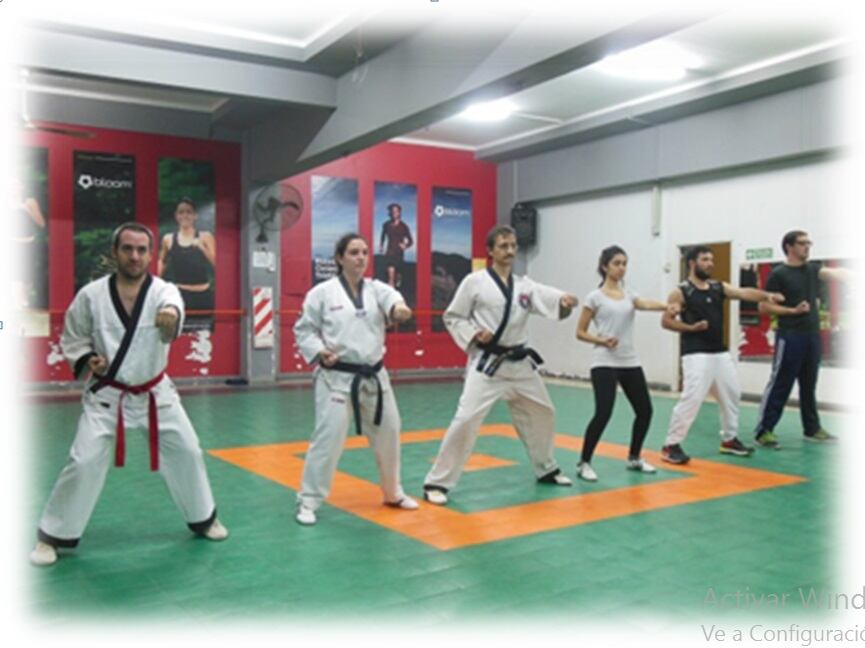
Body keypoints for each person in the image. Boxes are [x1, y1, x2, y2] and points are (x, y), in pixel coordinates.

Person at [30, 223, 227, 567]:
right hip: (107, 395)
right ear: (115, 252)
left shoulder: (164, 291)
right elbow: (73, 338)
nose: (135, 256)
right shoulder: (90, 295)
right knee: (83, 460)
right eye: (127, 249)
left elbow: (172, 307)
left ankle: (204, 518)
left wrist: (171, 316)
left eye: (141, 250)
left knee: (188, 450)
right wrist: (87, 359)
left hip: (155, 393)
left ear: (152, 255)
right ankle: (51, 536)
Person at [423, 224, 578, 506]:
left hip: (520, 365)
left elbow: (552, 300)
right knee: (466, 419)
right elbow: (453, 317)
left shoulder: (525, 286)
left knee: (543, 412)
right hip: (488, 365)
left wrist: (565, 302)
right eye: (503, 246)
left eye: (513, 246)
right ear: (490, 251)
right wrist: (473, 334)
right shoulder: (475, 282)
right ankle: (437, 482)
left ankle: (546, 468)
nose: (510, 251)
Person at [293, 233, 419, 525]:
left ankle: (393, 492)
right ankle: (308, 500)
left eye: (364, 252)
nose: (361, 257)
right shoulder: (322, 293)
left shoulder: (378, 289)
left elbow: (396, 304)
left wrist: (400, 311)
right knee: (328, 440)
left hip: (375, 376)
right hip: (336, 378)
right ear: (340, 258)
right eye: (353, 252)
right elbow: (304, 330)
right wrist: (319, 351)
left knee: (390, 433)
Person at [659, 246, 785, 465]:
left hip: (720, 353)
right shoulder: (681, 291)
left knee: (732, 394)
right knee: (692, 399)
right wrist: (691, 328)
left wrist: (768, 295)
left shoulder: (719, 287)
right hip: (695, 354)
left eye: (711, 260)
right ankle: (671, 445)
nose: (710, 263)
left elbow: (743, 292)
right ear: (692, 263)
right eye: (705, 259)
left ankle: (729, 439)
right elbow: (666, 321)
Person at [574, 245, 680, 481]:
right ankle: (584, 462)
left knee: (645, 411)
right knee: (603, 413)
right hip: (604, 363)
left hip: (629, 361)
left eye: (624, 263)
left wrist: (666, 306)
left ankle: (634, 457)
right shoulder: (594, 297)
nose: (622, 268)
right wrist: (601, 340)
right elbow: (580, 332)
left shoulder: (629, 295)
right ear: (605, 267)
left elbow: (644, 304)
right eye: (616, 263)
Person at [753, 230, 851, 448]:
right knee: (781, 383)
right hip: (790, 336)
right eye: (802, 243)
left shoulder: (812, 269)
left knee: (809, 384)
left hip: (811, 336)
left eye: (809, 243)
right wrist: (792, 311)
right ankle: (764, 430)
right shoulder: (778, 274)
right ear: (789, 246)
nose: (807, 247)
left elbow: (836, 274)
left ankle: (812, 428)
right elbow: (764, 306)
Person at [158, 197, 216, 330]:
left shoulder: (205, 236)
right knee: (178, 332)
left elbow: (217, 264)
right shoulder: (168, 239)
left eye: (189, 212)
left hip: (203, 295)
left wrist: (202, 248)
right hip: (180, 294)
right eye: (181, 212)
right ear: (176, 216)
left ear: (195, 216)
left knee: (204, 335)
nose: (185, 215)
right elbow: (161, 263)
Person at [378, 203, 413, 288]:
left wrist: (405, 246)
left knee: (397, 272)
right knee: (390, 273)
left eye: (395, 211)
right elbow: (383, 236)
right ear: (389, 213)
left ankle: (398, 278)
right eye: (392, 211)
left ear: (399, 213)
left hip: (399, 252)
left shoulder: (404, 226)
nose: (393, 213)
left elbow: (411, 241)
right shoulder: (386, 225)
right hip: (390, 251)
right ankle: (391, 288)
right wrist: (381, 245)